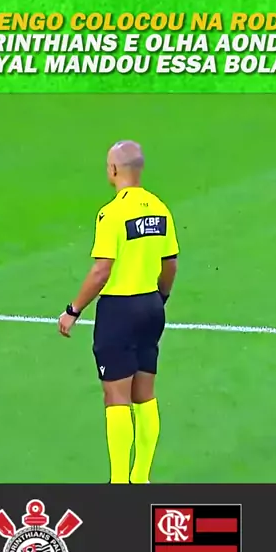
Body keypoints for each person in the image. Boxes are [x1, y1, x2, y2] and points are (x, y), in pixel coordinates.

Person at [58, 141, 179, 483]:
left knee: (116, 397)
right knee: (145, 394)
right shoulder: (160, 209)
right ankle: (141, 478)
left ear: (113, 170)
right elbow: (170, 263)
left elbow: (101, 270)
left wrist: (73, 310)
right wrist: (160, 297)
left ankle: (119, 482)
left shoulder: (111, 213)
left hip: (119, 311)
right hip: (151, 306)